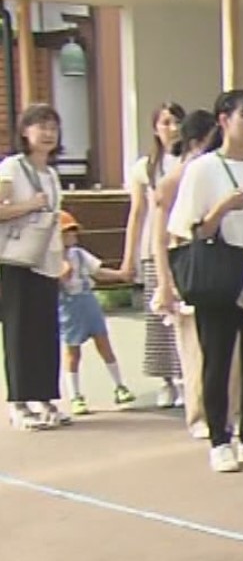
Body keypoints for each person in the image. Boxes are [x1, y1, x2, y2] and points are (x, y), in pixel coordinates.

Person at [168, 89, 243, 474]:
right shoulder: (202, 169)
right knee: (217, 358)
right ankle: (220, 439)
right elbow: (190, 229)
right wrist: (222, 209)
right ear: (224, 120)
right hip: (220, 275)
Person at [152, 110, 241, 441]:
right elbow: (160, 237)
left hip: (222, 266)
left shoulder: (219, 173)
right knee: (195, 350)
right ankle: (200, 414)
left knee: (227, 351)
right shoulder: (173, 181)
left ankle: (228, 412)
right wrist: (164, 282)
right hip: (188, 268)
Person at [1, 103, 68, 431]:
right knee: (18, 331)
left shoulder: (52, 174)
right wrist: (31, 205)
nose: (47, 133)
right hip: (15, 260)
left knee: (45, 331)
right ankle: (19, 402)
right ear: (24, 132)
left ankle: (45, 397)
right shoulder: (12, 167)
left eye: (52, 126)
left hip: (47, 260)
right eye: (39, 126)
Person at [120, 102, 185, 408]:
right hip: (153, 246)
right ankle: (166, 381)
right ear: (155, 128)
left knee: (184, 313)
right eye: (166, 122)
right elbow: (137, 212)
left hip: (182, 244)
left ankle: (187, 376)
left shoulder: (190, 160)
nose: (172, 128)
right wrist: (127, 257)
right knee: (159, 316)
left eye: (176, 122)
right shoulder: (145, 166)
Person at [56, 212, 135, 414]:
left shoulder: (80, 254)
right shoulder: (52, 259)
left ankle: (119, 386)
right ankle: (75, 396)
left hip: (87, 300)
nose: (72, 235)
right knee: (72, 351)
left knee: (104, 343)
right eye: (67, 232)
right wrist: (61, 276)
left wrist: (120, 275)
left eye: (73, 231)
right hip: (68, 305)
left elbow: (97, 271)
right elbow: (51, 284)